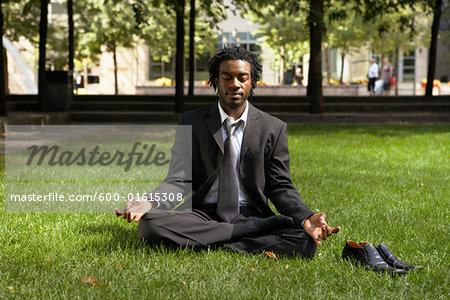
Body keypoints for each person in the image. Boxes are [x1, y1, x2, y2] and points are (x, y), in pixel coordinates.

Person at [115, 46, 340, 258]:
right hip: (203, 213)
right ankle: (241, 237)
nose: (235, 84)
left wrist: (305, 216)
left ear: (252, 82)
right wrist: (150, 202)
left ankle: (213, 239)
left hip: (251, 214)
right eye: (226, 77)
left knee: (303, 240)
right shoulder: (191, 122)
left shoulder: (273, 128)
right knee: (151, 224)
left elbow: (280, 185)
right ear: (215, 81)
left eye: (242, 78)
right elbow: (179, 180)